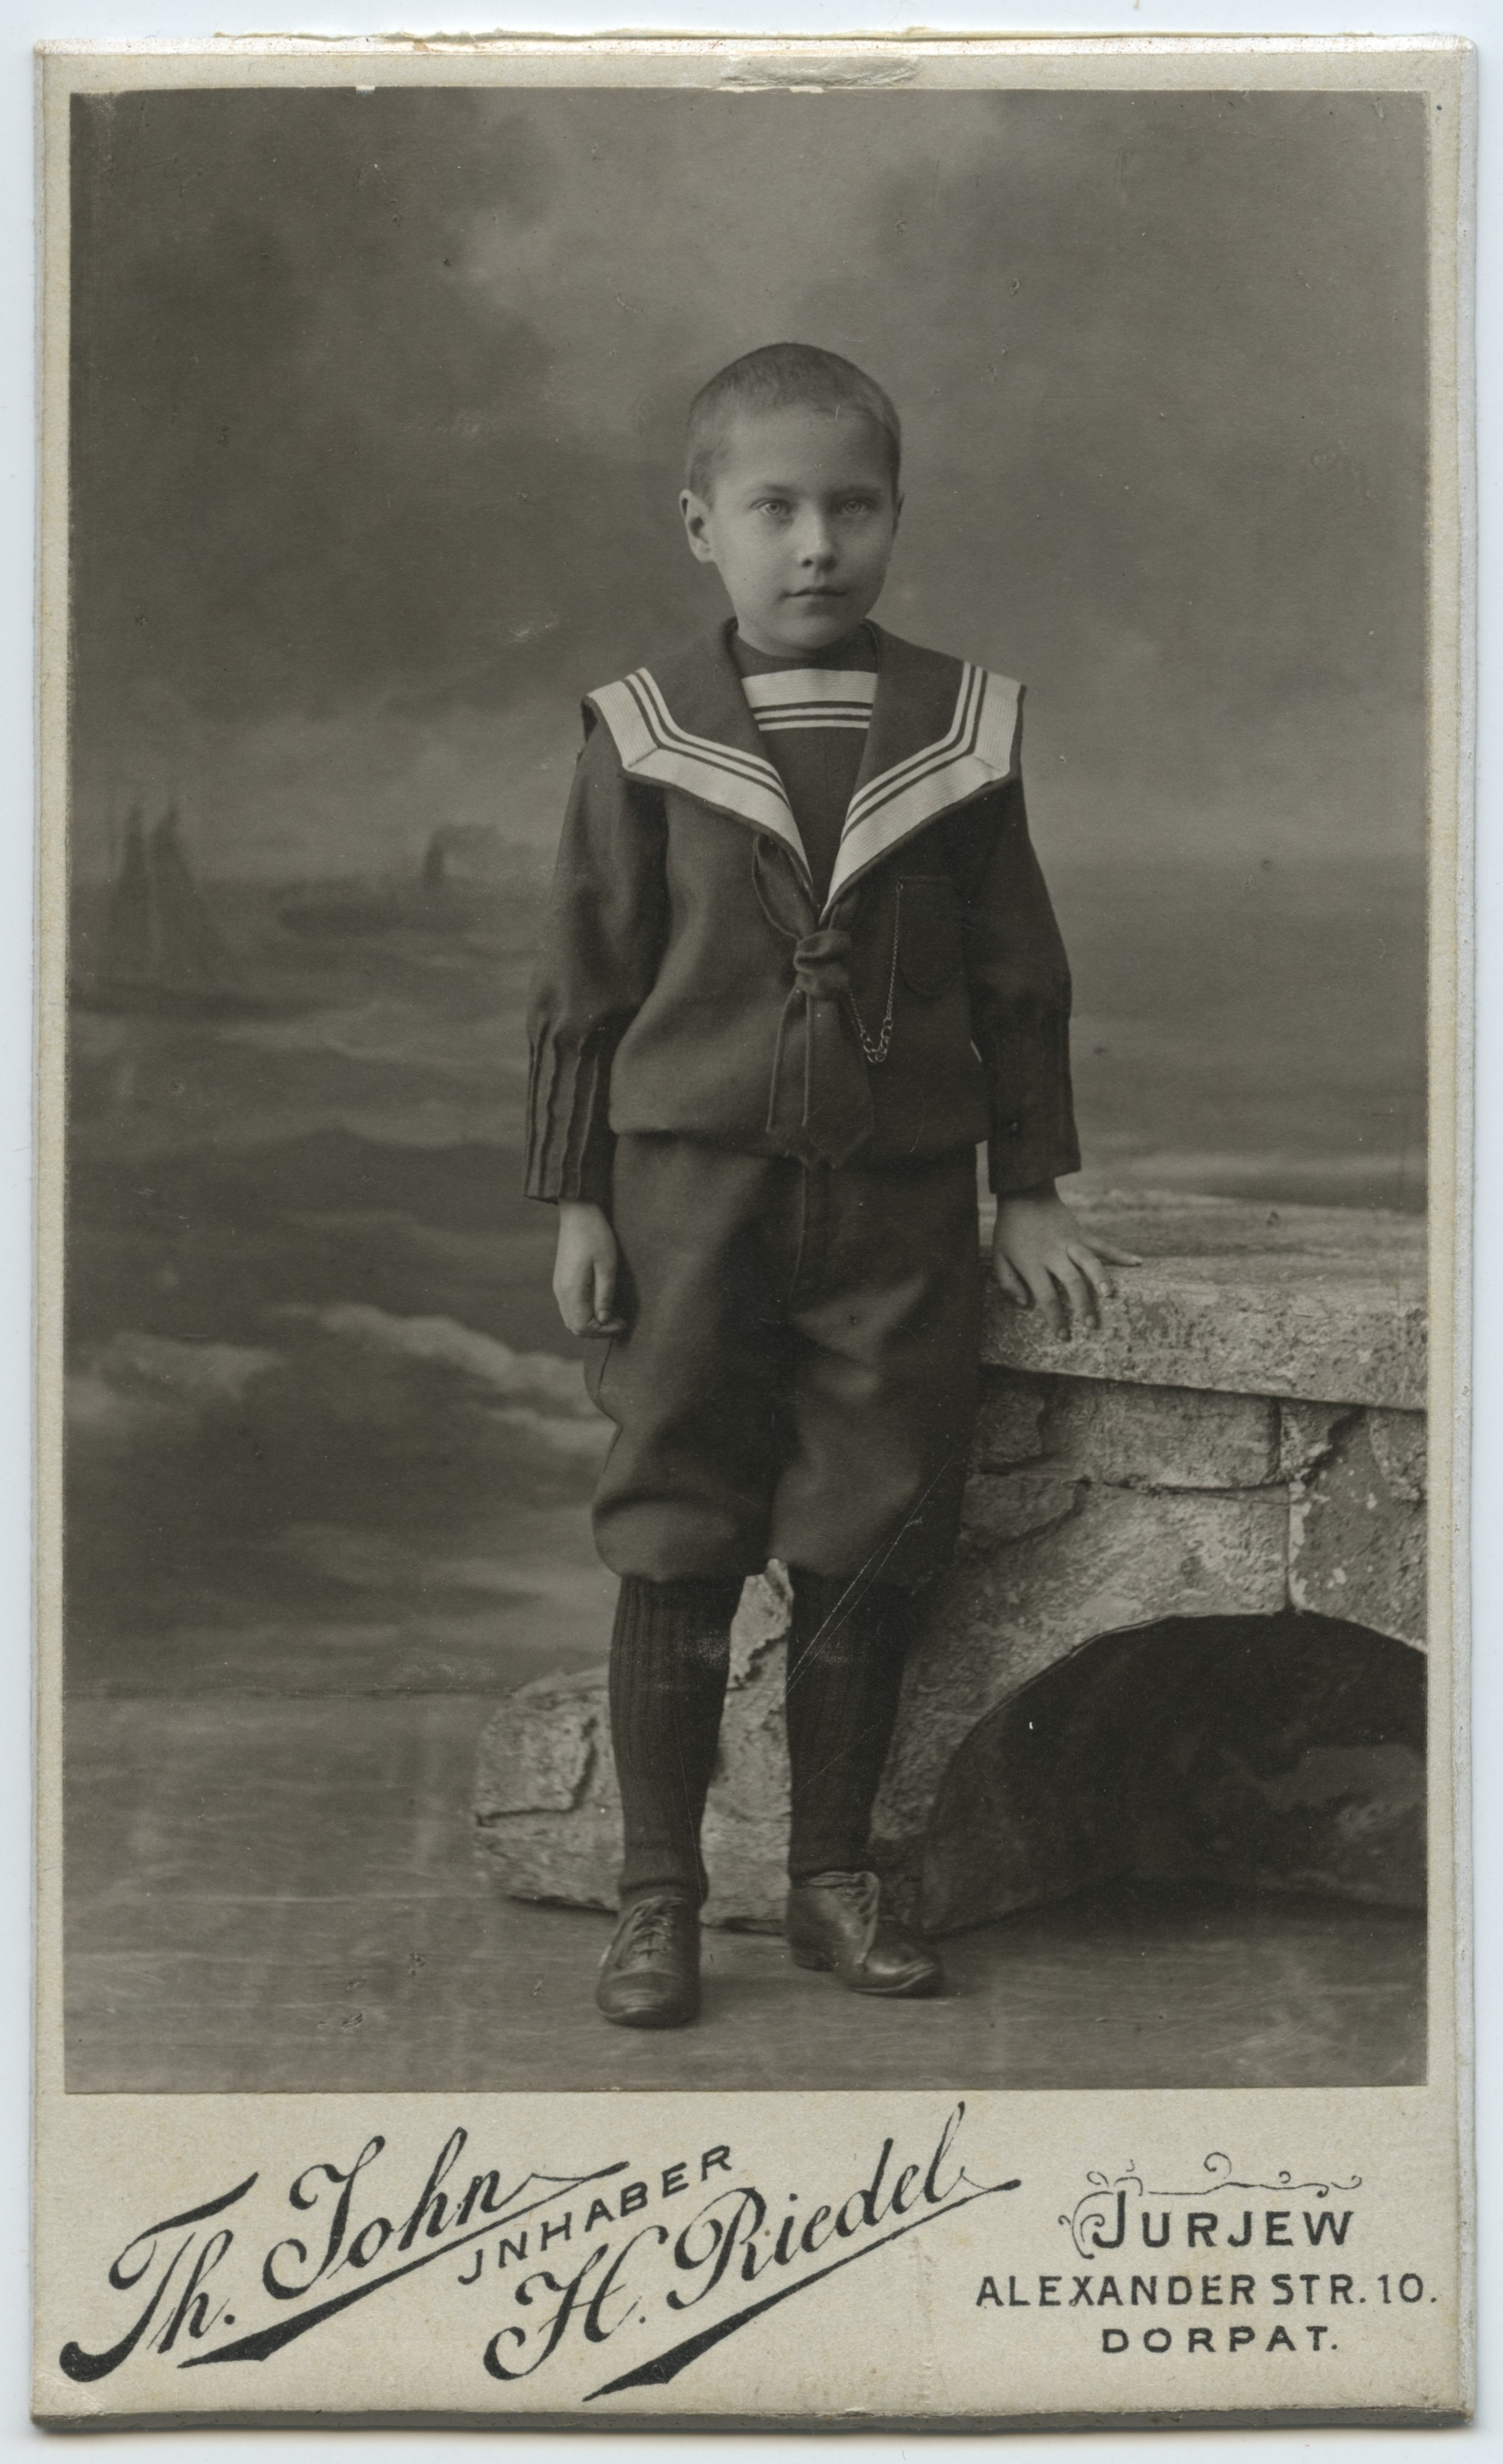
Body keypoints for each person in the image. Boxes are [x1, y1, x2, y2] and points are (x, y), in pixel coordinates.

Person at [526, 342, 1135, 2029]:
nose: (815, 544)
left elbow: (1018, 975)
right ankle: (659, 1897)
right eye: (775, 509)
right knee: (677, 1519)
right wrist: (577, 1201)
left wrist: (1028, 1189)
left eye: (852, 508)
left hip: (896, 1203)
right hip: (687, 1197)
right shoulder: (642, 732)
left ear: (894, 519)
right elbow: (584, 979)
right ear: (700, 525)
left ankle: (829, 1879)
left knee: (871, 1528)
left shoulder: (959, 728)